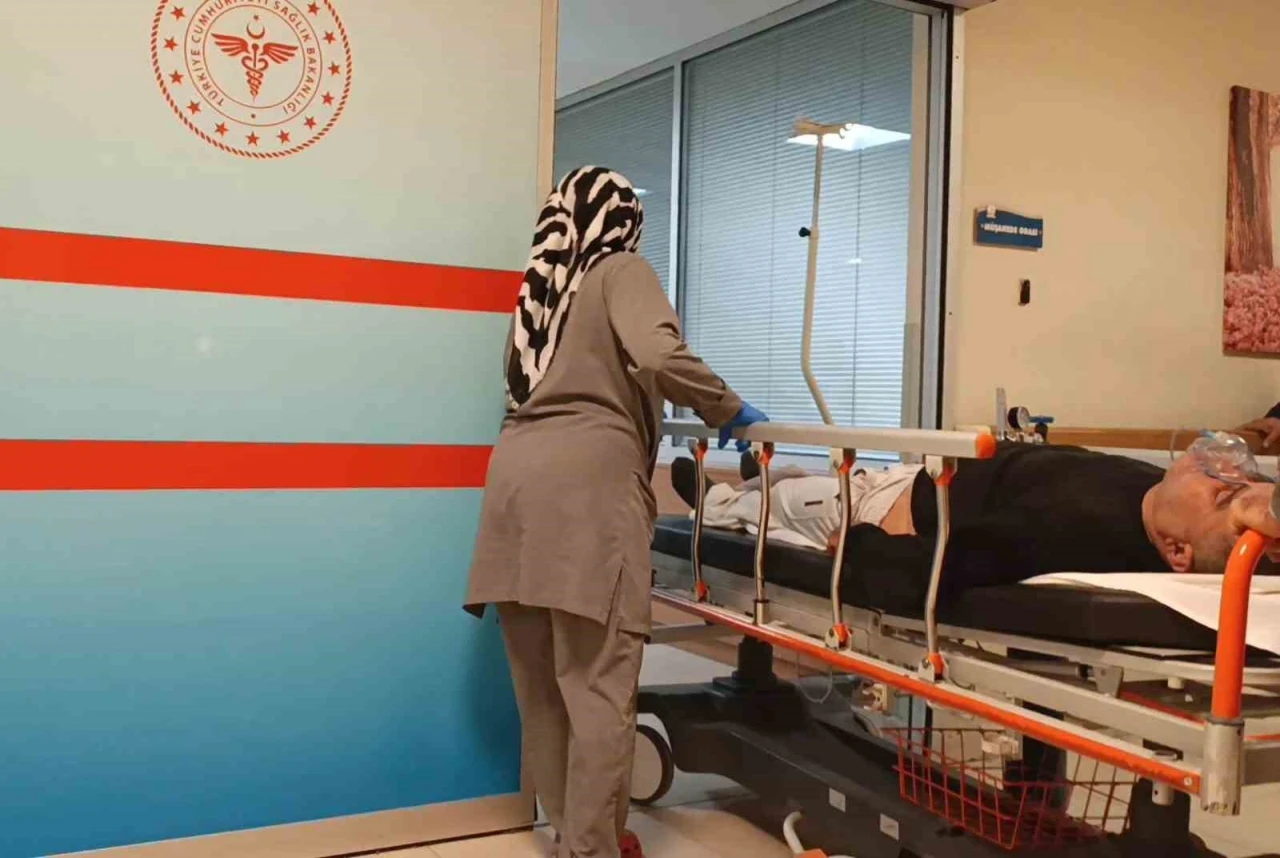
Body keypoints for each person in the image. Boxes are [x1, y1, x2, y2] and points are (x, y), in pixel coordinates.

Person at [463, 166, 767, 858]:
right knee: (597, 684)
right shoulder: (619, 270)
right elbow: (657, 354)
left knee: (543, 690)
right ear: (622, 220)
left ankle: (575, 835)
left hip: (513, 493)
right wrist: (726, 407)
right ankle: (592, 848)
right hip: (587, 493)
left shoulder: (540, 298)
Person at [671, 442, 1274, 611]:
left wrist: (859, 545)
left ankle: (715, 504)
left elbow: (940, 569)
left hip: (884, 508)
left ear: (1176, 551)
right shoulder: (1148, 490)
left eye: (1223, 494)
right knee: (800, 479)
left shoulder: (1067, 533)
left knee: (782, 506)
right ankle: (759, 478)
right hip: (921, 477)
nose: (1221, 472)